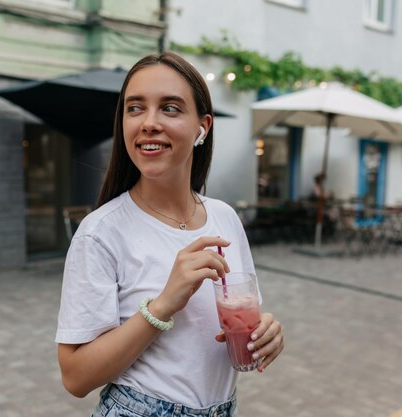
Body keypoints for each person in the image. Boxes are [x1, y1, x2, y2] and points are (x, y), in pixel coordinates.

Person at [55, 52, 285, 417]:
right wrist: (163, 304)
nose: (148, 123)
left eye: (170, 108)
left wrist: (264, 334)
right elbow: (75, 376)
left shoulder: (225, 218)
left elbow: (236, 317)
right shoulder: (100, 233)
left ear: (202, 127)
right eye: (135, 108)